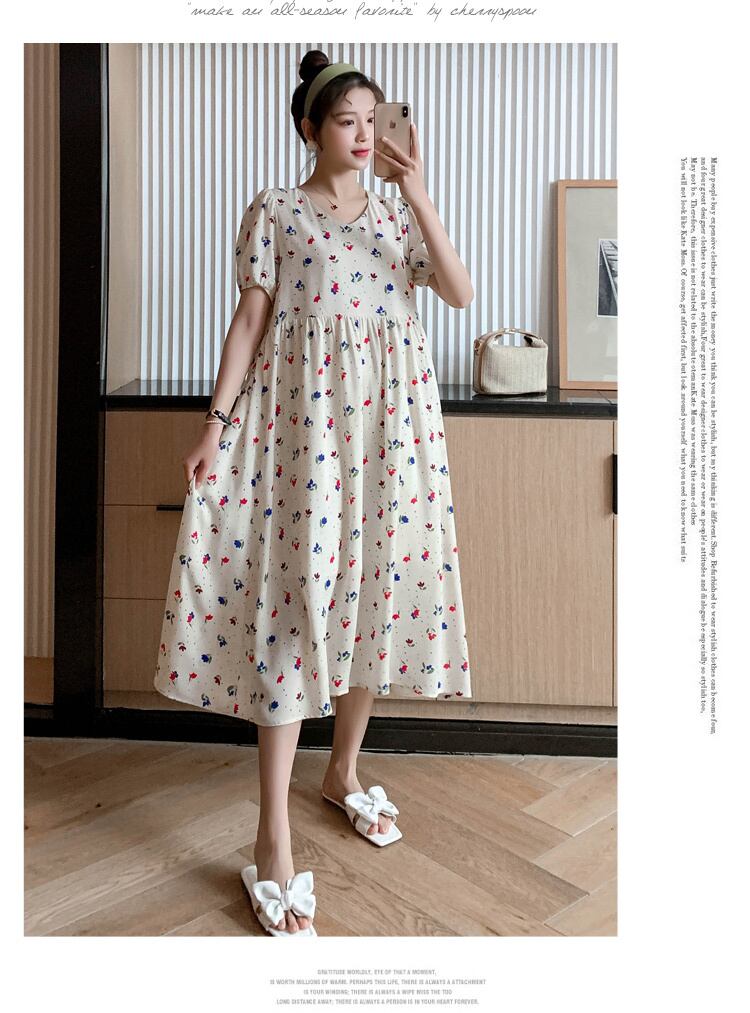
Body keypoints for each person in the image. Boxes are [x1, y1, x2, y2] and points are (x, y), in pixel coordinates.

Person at [153, 50, 474, 937]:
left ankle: (342, 771)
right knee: (297, 607)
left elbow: (456, 291)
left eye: (374, 120)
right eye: (347, 121)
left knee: (373, 596)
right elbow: (250, 320)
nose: (365, 135)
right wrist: (215, 425)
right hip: (307, 436)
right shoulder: (278, 211)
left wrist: (418, 192)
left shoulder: (396, 213)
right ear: (310, 128)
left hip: (393, 434)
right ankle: (272, 836)